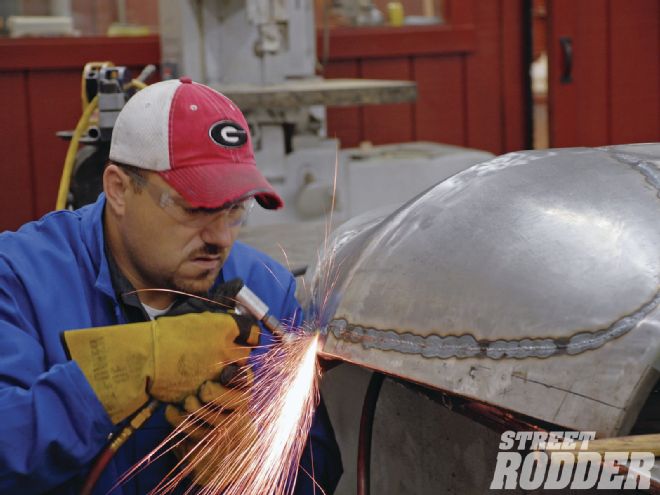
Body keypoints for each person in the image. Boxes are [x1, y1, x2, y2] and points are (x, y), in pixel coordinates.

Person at [0, 78, 342, 494]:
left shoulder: (266, 289)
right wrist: (114, 376)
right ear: (119, 189)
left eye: (235, 210)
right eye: (195, 208)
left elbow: (318, 468)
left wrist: (246, 468)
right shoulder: (20, 279)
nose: (220, 238)